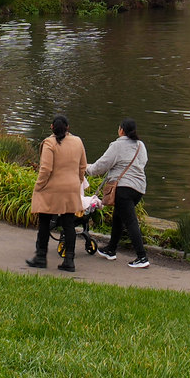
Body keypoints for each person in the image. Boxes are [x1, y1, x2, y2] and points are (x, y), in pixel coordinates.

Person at [26, 114, 88, 272]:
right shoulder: (78, 142)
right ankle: (69, 260)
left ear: (52, 127)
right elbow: (83, 166)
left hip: (52, 188)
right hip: (71, 188)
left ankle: (41, 257)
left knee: (45, 222)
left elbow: (46, 169)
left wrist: (39, 186)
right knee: (69, 224)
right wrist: (78, 181)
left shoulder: (49, 143)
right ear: (68, 128)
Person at [87, 118, 151, 268]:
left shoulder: (117, 145)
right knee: (118, 217)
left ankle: (142, 257)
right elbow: (143, 162)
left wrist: (88, 169)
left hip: (123, 188)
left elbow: (102, 165)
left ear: (121, 130)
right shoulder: (140, 145)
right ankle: (111, 249)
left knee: (130, 222)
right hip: (139, 189)